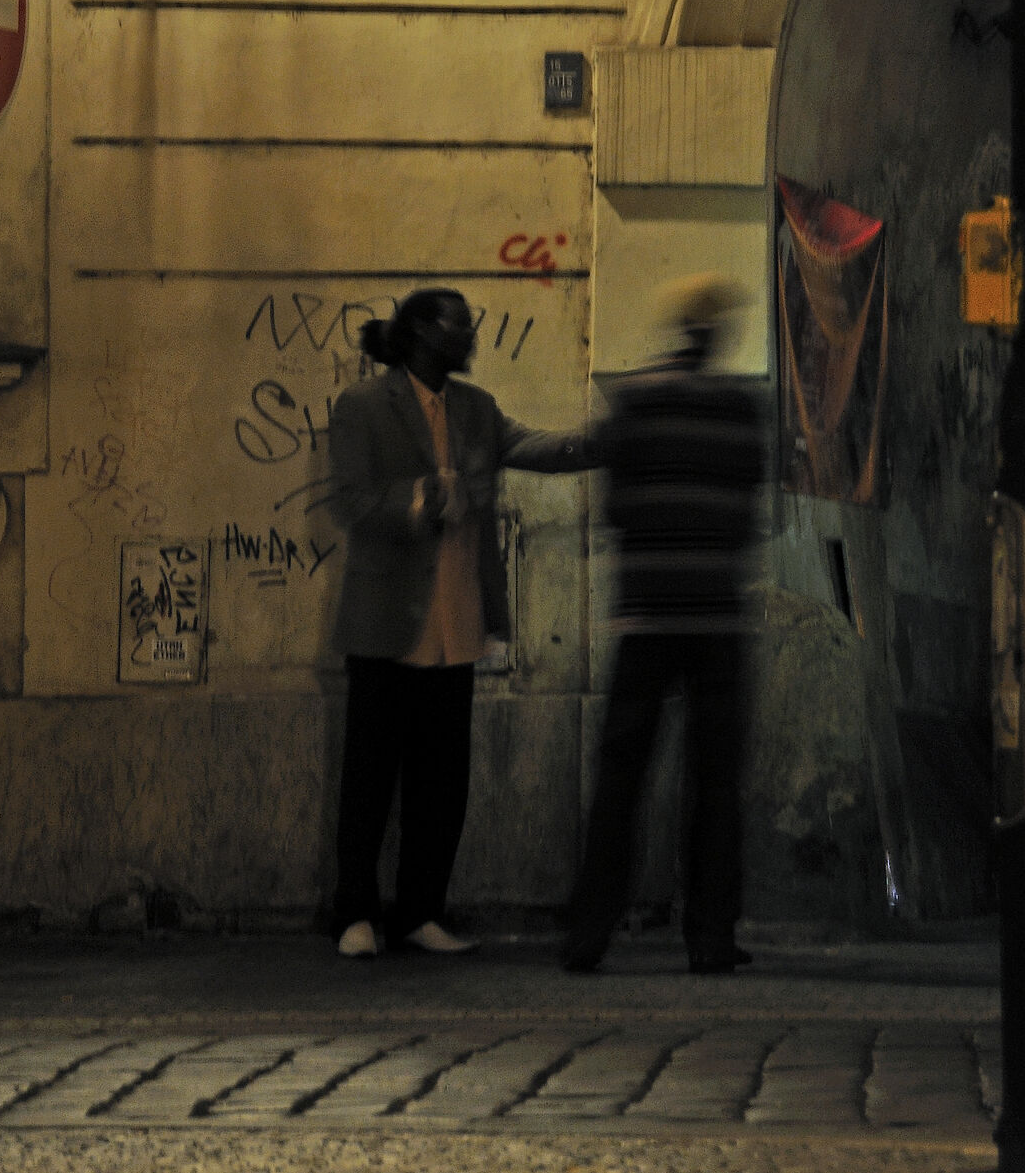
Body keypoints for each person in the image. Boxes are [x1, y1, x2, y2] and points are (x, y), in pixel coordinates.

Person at [325, 287, 596, 959]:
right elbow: (352, 500)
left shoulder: (476, 408)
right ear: (419, 331)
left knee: (442, 782)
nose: (470, 336)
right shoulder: (362, 405)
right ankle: (354, 913)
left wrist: (604, 443)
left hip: (458, 621)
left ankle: (421, 911)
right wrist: (427, 498)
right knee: (368, 777)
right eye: (458, 325)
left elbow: (532, 445)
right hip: (386, 623)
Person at [561, 276, 768, 975]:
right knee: (714, 782)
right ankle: (709, 935)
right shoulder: (741, 409)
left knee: (622, 775)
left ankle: (588, 932)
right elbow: (746, 515)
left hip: (646, 613)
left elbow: (615, 506)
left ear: (678, 328)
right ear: (719, 336)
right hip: (714, 616)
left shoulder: (636, 401)